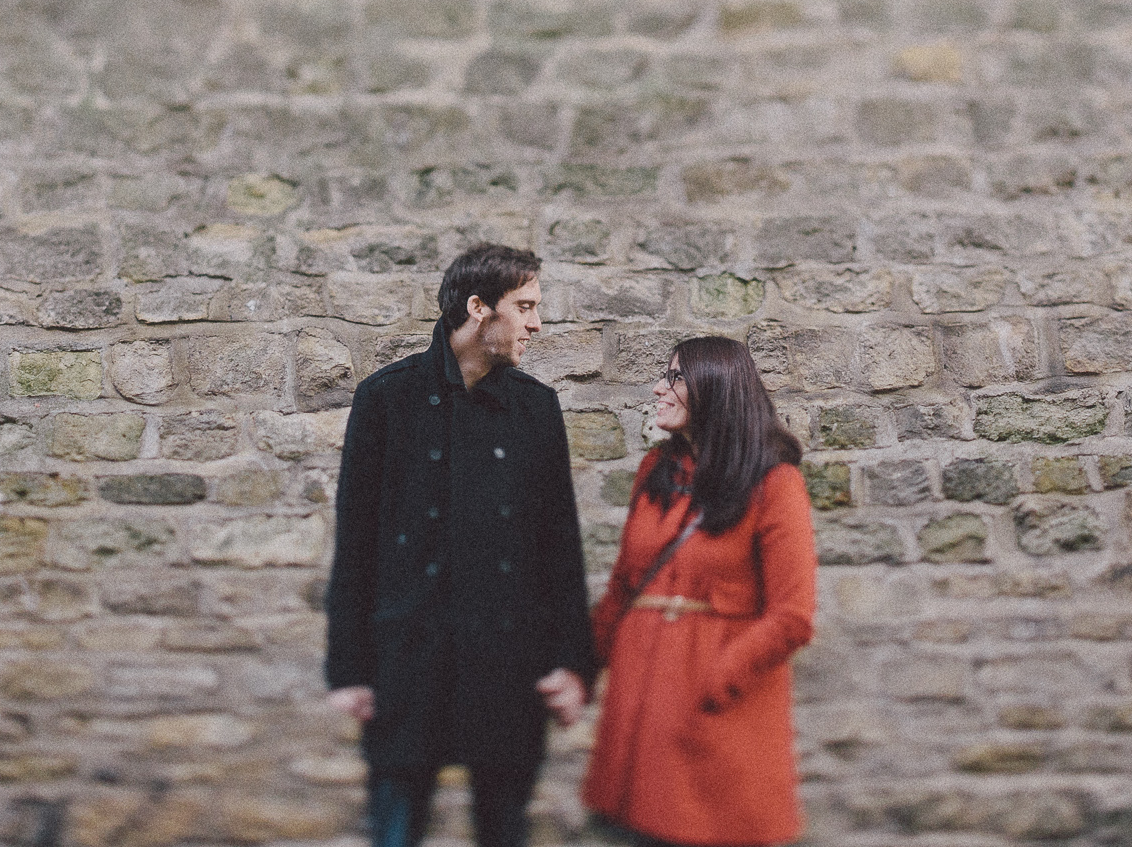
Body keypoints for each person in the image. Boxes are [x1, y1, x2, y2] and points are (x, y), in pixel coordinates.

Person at [325, 243, 596, 847]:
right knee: (396, 828)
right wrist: (349, 666)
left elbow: (559, 545)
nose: (537, 323)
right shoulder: (385, 399)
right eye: (524, 306)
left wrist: (574, 663)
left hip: (506, 664)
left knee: (503, 830)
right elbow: (358, 540)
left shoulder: (535, 407)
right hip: (406, 662)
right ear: (478, 308)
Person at [583, 336, 817, 847]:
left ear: (715, 390)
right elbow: (624, 587)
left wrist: (713, 679)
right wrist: (582, 668)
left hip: (713, 708)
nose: (658, 389)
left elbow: (793, 615)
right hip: (637, 705)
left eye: (674, 378)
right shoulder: (655, 472)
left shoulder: (774, 483)